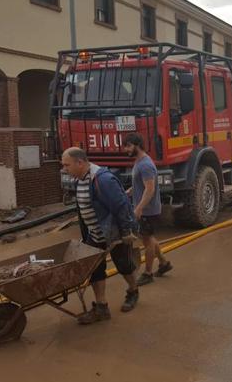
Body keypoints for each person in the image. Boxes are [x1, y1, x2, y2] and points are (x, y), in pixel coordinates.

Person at [61, 147, 139, 324]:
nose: (65, 169)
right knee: (95, 270)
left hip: (113, 232)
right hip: (94, 234)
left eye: (67, 165)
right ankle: (101, 307)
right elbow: (84, 210)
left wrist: (127, 232)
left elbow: (122, 206)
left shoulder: (103, 180)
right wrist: (85, 234)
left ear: (80, 163)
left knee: (123, 266)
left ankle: (133, 290)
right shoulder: (79, 180)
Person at [123, 133, 172, 286]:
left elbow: (149, 189)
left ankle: (148, 273)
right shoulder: (140, 161)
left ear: (137, 145)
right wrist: (131, 190)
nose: (126, 149)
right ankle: (164, 263)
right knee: (149, 238)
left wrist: (139, 208)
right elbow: (143, 184)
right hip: (145, 209)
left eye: (128, 146)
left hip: (148, 210)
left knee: (147, 241)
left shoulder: (145, 165)